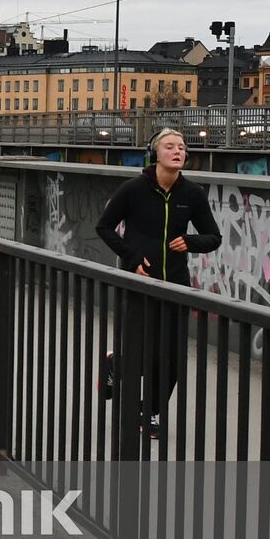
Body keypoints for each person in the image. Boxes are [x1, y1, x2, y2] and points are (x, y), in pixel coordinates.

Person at [95, 128, 221, 438]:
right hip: (139, 282)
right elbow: (105, 227)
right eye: (170, 147)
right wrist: (133, 258)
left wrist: (190, 242)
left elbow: (213, 237)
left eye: (182, 147)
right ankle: (115, 364)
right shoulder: (133, 189)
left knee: (172, 358)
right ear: (156, 154)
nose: (178, 151)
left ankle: (148, 412)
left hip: (176, 285)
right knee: (140, 355)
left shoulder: (192, 194)